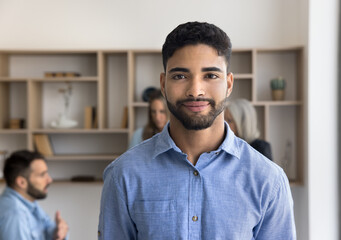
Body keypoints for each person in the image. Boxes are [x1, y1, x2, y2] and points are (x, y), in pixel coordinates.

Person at [98, 21, 296, 239]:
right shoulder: (123, 175)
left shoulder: (268, 180)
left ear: (229, 84)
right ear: (163, 84)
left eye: (210, 75)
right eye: (180, 76)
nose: (195, 91)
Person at [0, 150, 68, 240]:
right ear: (22, 182)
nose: (49, 180)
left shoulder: (29, 202)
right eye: (42, 175)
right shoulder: (15, 214)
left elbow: (46, 229)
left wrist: (59, 231)